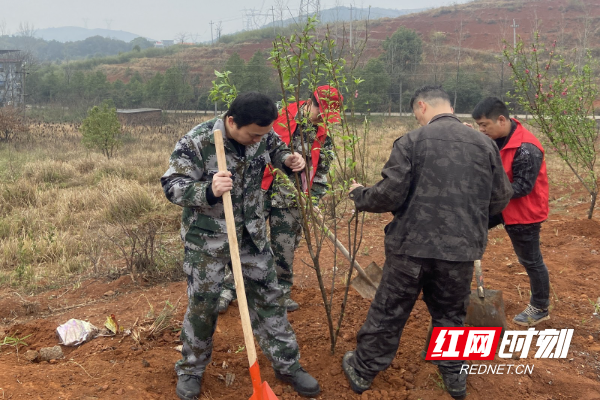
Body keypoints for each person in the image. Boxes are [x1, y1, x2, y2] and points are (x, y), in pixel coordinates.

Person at [341, 86, 513, 399]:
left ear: (421, 106)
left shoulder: (411, 141)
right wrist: (472, 221)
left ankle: (363, 371)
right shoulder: (484, 144)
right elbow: (501, 196)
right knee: (450, 314)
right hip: (459, 251)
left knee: (389, 311)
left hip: (410, 249)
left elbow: (390, 194)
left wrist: (360, 195)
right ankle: (455, 378)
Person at [161, 92, 321, 400]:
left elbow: (278, 151)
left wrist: (289, 160)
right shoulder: (197, 141)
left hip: (252, 234)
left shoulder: (263, 134)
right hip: (207, 238)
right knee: (204, 303)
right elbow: (172, 185)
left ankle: (288, 366)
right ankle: (191, 370)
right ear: (232, 121)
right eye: (252, 135)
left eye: (263, 134)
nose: (257, 140)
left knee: (269, 299)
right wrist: (208, 190)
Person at [218, 86, 342, 313]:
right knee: (245, 241)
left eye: (328, 117)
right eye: (321, 113)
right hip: (260, 191)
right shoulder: (278, 119)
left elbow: (321, 174)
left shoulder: (323, 137)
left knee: (285, 248)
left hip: (293, 201)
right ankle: (229, 289)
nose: (323, 119)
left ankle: (280, 293)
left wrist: (312, 200)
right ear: (310, 103)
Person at [471, 97, 550, 326]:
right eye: (479, 126)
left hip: (524, 212)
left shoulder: (527, 148)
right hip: (502, 205)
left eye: (485, 125)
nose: (482, 130)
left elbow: (523, 187)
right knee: (467, 226)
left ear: (502, 120)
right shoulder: (498, 137)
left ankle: (540, 306)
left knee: (530, 260)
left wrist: (486, 195)